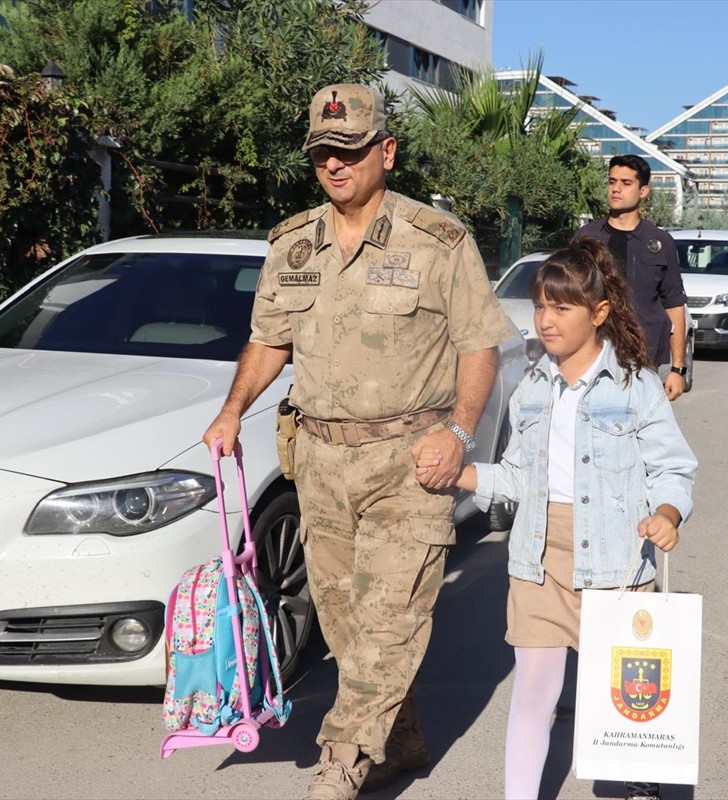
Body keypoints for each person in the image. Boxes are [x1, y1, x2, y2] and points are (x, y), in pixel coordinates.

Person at [201, 83, 516, 799]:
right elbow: (267, 339)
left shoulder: (438, 240)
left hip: (410, 461)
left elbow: (479, 347)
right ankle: (399, 734)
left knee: (391, 615)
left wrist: (460, 434)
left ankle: (340, 763)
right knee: (345, 625)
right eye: (321, 154)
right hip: (319, 459)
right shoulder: (292, 242)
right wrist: (232, 410)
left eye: (347, 150)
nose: (334, 165)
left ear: (386, 150)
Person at [416, 238, 697, 800]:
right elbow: (518, 478)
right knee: (533, 696)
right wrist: (460, 476)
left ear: (598, 313)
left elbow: (674, 469)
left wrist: (667, 513)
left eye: (561, 307)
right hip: (538, 559)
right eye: (541, 305)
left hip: (617, 564)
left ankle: (639, 784)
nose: (546, 320)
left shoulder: (635, 386)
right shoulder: (532, 389)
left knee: (624, 705)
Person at [572, 154, 689, 402]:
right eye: (612, 181)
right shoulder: (585, 238)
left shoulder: (660, 242)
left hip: (643, 360)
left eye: (626, 183)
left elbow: (674, 304)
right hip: (590, 355)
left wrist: (678, 369)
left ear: (643, 191)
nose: (615, 188)